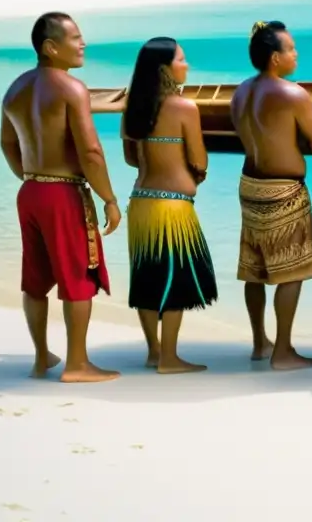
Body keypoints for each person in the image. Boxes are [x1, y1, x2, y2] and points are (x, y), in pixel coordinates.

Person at [0, 12, 121, 383]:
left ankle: (41, 358)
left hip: (31, 191)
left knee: (35, 279)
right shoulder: (72, 88)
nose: (82, 44)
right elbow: (91, 153)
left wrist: (31, 176)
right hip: (62, 194)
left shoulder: (15, 89)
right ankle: (77, 364)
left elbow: (7, 144)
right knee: (77, 277)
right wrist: (109, 198)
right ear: (51, 48)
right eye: (75, 38)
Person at [231, 21, 312, 371]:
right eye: (291, 49)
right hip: (282, 188)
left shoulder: (240, 91)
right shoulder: (293, 94)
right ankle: (283, 350)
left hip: (249, 185)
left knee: (255, 269)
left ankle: (260, 341)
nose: (296, 53)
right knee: (291, 270)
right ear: (274, 58)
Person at [123, 37, 217, 374]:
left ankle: (153, 351)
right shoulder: (184, 108)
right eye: (181, 59)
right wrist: (197, 174)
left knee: (146, 277)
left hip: (140, 203)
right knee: (175, 281)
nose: (186, 64)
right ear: (165, 68)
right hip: (173, 207)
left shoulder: (131, 107)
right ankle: (170, 358)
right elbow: (199, 158)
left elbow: (130, 158)